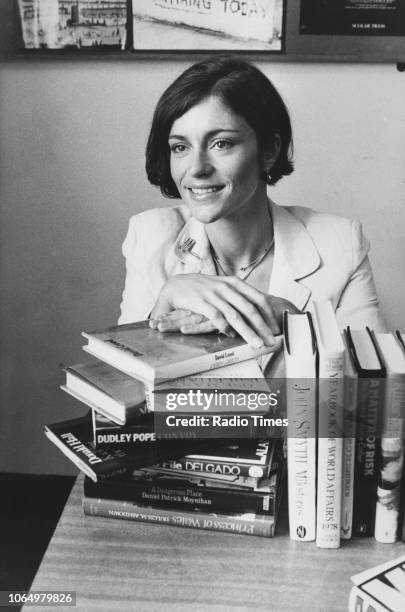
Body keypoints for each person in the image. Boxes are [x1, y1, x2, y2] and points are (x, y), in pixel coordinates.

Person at [119, 56, 385, 355]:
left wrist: (295, 323)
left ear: (269, 150)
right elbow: (122, 386)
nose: (196, 168)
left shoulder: (341, 243)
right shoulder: (149, 235)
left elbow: (373, 387)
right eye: (180, 147)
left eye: (221, 143)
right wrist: (166, 299)